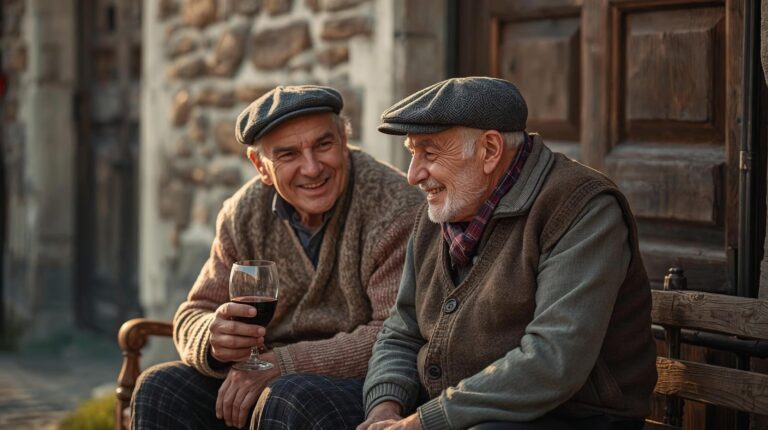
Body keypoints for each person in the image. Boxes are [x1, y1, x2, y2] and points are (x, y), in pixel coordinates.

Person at [258, 76, 657, 430]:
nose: (414, 174)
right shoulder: (443, 210)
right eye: (413, 153)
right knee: (293, 398)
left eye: (429, 154)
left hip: (570, 417)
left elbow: (552, 363)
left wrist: (423, 422)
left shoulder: (581, 208)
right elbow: (402, 331)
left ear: (489, 150)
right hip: (447, 407)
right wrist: (383, 410)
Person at [131, 85, 423, 429]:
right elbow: (193, 313)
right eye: (288, 155)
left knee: (288, 395)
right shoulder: (243, 213)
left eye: (323, 145)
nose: (312, 168)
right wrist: (213, 338)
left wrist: (283, 364)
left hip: (360, 384)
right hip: (264, 378)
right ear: (261, 166)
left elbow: (391, 332)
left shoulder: (395, 205)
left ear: (344, 141)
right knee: (160, 388)